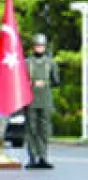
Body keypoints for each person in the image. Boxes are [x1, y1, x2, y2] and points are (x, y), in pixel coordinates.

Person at [24, 33, 60, 169]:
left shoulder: (50, 63)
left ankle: (43, 156)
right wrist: (32, 83)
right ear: (33, 47)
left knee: (44, 130)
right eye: (37, 45)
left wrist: (45, 83)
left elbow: (56, 81)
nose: (39, 48)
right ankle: (33, 157)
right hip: (31, 100)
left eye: (42, 45)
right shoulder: (27, 63)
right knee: (31, 129)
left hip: (45, 100)